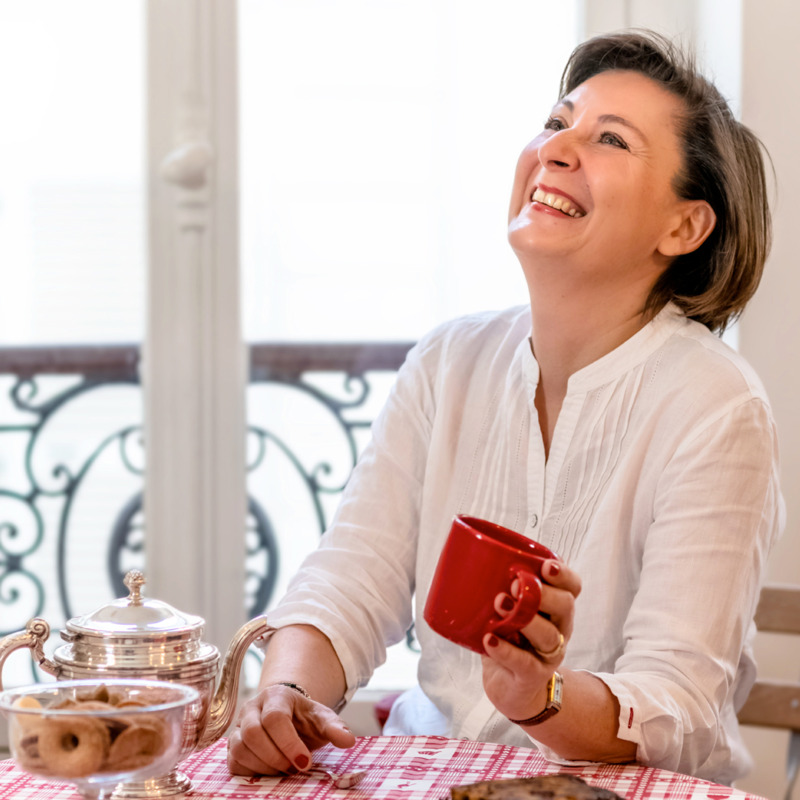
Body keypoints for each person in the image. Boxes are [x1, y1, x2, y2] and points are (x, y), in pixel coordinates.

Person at [227, 30, 784, 785]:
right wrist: (284, 695)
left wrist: (540, 698)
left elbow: (676, 705)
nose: (556, 150)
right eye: (558, 124)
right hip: (435, 775)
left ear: (682, 227)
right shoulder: (448, 361)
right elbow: (351, 579)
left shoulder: (715, 404)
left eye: (610, 139)